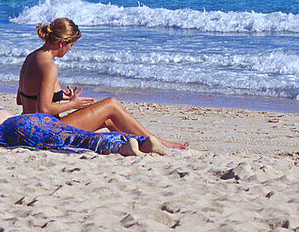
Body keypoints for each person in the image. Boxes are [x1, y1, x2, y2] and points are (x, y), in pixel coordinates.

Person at [17, 17, 188, 150]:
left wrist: (61, 96)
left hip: (29, 129)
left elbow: (21, 99)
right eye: (71, 45)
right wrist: (72, 104)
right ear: (62, 42)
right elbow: (43, 110)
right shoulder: (49, 67)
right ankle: (159, 142)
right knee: (111, 104)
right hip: (46, 132)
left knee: (109, 120)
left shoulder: (32, 57)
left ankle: (142, 144)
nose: (71, 49)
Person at [0, 76, 169, 156]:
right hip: (30, 120)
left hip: (17, 129)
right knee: (73, 134)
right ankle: (143, 142)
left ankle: (124, 148)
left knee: (73, 140)